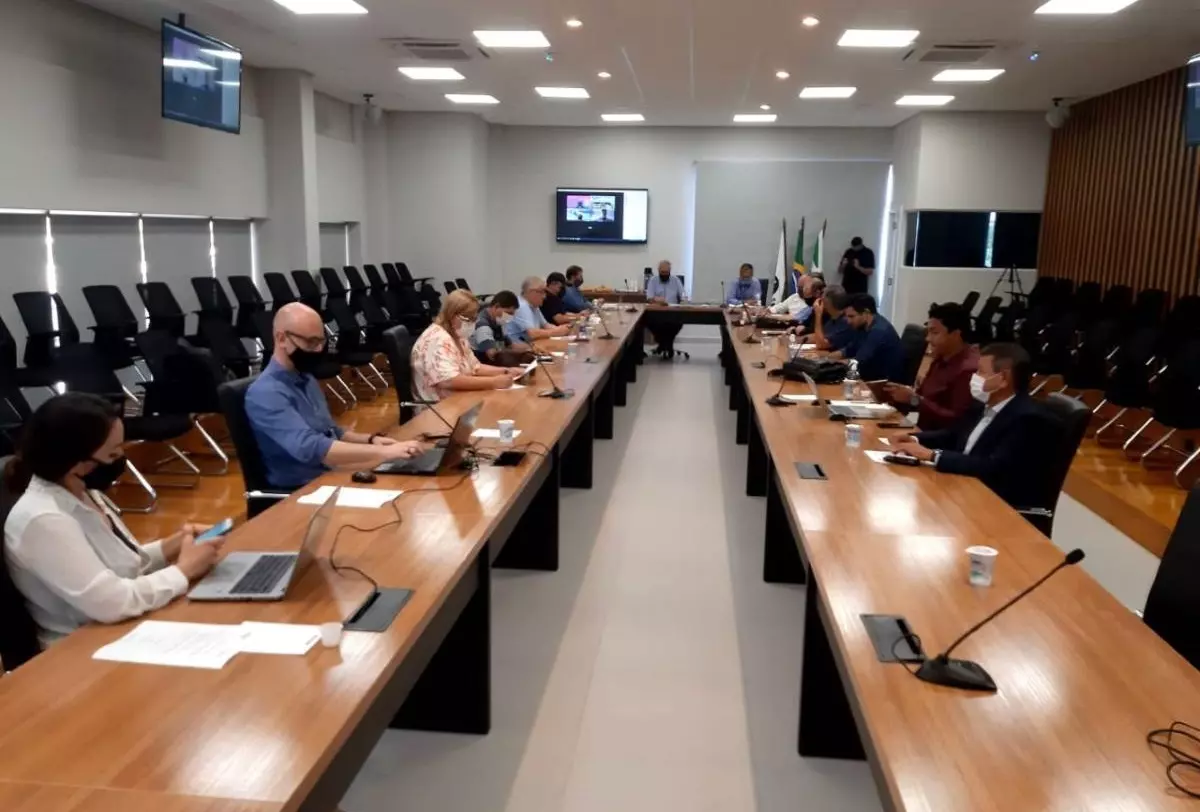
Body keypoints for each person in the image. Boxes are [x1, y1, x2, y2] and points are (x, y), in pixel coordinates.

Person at [3, 393, 225, 646]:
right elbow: (112, 602)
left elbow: (121, 567)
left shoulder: (82, 491)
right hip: (80, 646)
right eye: (112, 454)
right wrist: (184, 570)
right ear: (75, 461)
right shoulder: (43, 520)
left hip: (117, 628)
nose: (121, 458)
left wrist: (174, 544)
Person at [246, 303, 425, 490]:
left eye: (321, 342)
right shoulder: (266, 393)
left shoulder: (306, 378)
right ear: (282, 338)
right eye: (310, 342)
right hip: (302, 490)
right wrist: (383, 453)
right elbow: (312, 448)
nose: (318, 350)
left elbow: (332, 432)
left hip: (332, 474)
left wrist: (371, 440)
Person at [891, 343, 1060, 509]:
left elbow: (993, 467)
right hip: (962, 486)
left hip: (994, 504)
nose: (974, 378)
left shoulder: (1028, 418)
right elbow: (953, 435)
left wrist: (933, 455)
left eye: (981, 372)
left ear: (1003, 378)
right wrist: (914, 439)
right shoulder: (982, 404)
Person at [412, 289, 526, 402]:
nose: (472, 323)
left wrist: (507, 371)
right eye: (469, 319)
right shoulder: (437, 339)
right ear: (452, 315)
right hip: (441, 406)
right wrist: (493, 382)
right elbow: (448, 381)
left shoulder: (458, 335)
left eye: (474, 318)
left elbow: (475, 367)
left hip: (462, 398)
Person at [883, 302, 979, 430]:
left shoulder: (968, 369)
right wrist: (900, 395)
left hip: (938, 438)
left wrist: (913, 399)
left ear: (956, 334)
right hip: (921, 429)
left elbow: (956, 420)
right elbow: (923, 398)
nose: (927, 339)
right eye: (928, 332)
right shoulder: (940, 357)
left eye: (934, 333)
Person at [832, 293, 906, 382]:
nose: (848, 321)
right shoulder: (862, 327)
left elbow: (858, 362)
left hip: (883, 383)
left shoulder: (879, 331)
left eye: (851, 316)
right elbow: (849, 350)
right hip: (869, 376)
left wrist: (831, 365)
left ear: (866, 313)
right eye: (847, 317)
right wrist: (826, 359)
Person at [470, 290, 530, 364]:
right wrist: (519, 354)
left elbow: (510, 346)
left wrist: (530, 349)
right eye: (508, 313)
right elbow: (493, 354)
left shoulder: (498, 321)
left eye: (512, 314)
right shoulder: (482, 325)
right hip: (484, 364)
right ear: (496, 306)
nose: (510, 317)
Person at [506, 277, 571, 343]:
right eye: (542, 292)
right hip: (520, 347)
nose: (544, 296)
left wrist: (563, 328)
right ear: (532, 292)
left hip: (531, 344)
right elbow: (533, 334)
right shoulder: (521, 306)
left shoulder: (534, 305)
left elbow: (546, 325)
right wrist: (556, 332)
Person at [645, 260, 686, 358]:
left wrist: (684, 299)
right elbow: (649, 298)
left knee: (676, 323)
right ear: (658, 271)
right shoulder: (653, 280)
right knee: (649, 321)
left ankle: (663, 345)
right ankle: (667, 345)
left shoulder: (676, 280)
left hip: (673, 312)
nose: (664, 274)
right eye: (662, 272)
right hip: (657, 312)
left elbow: (683, 296)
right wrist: (656, 300)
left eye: (666, 272)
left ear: (670, 271)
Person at [801, 285, 856, 351]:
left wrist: (818, 315)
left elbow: (821, 344)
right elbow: (818, 336)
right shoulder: (833, 320)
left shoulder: (845, 322)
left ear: (828, 302)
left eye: (822, 299)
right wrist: (795, 340)